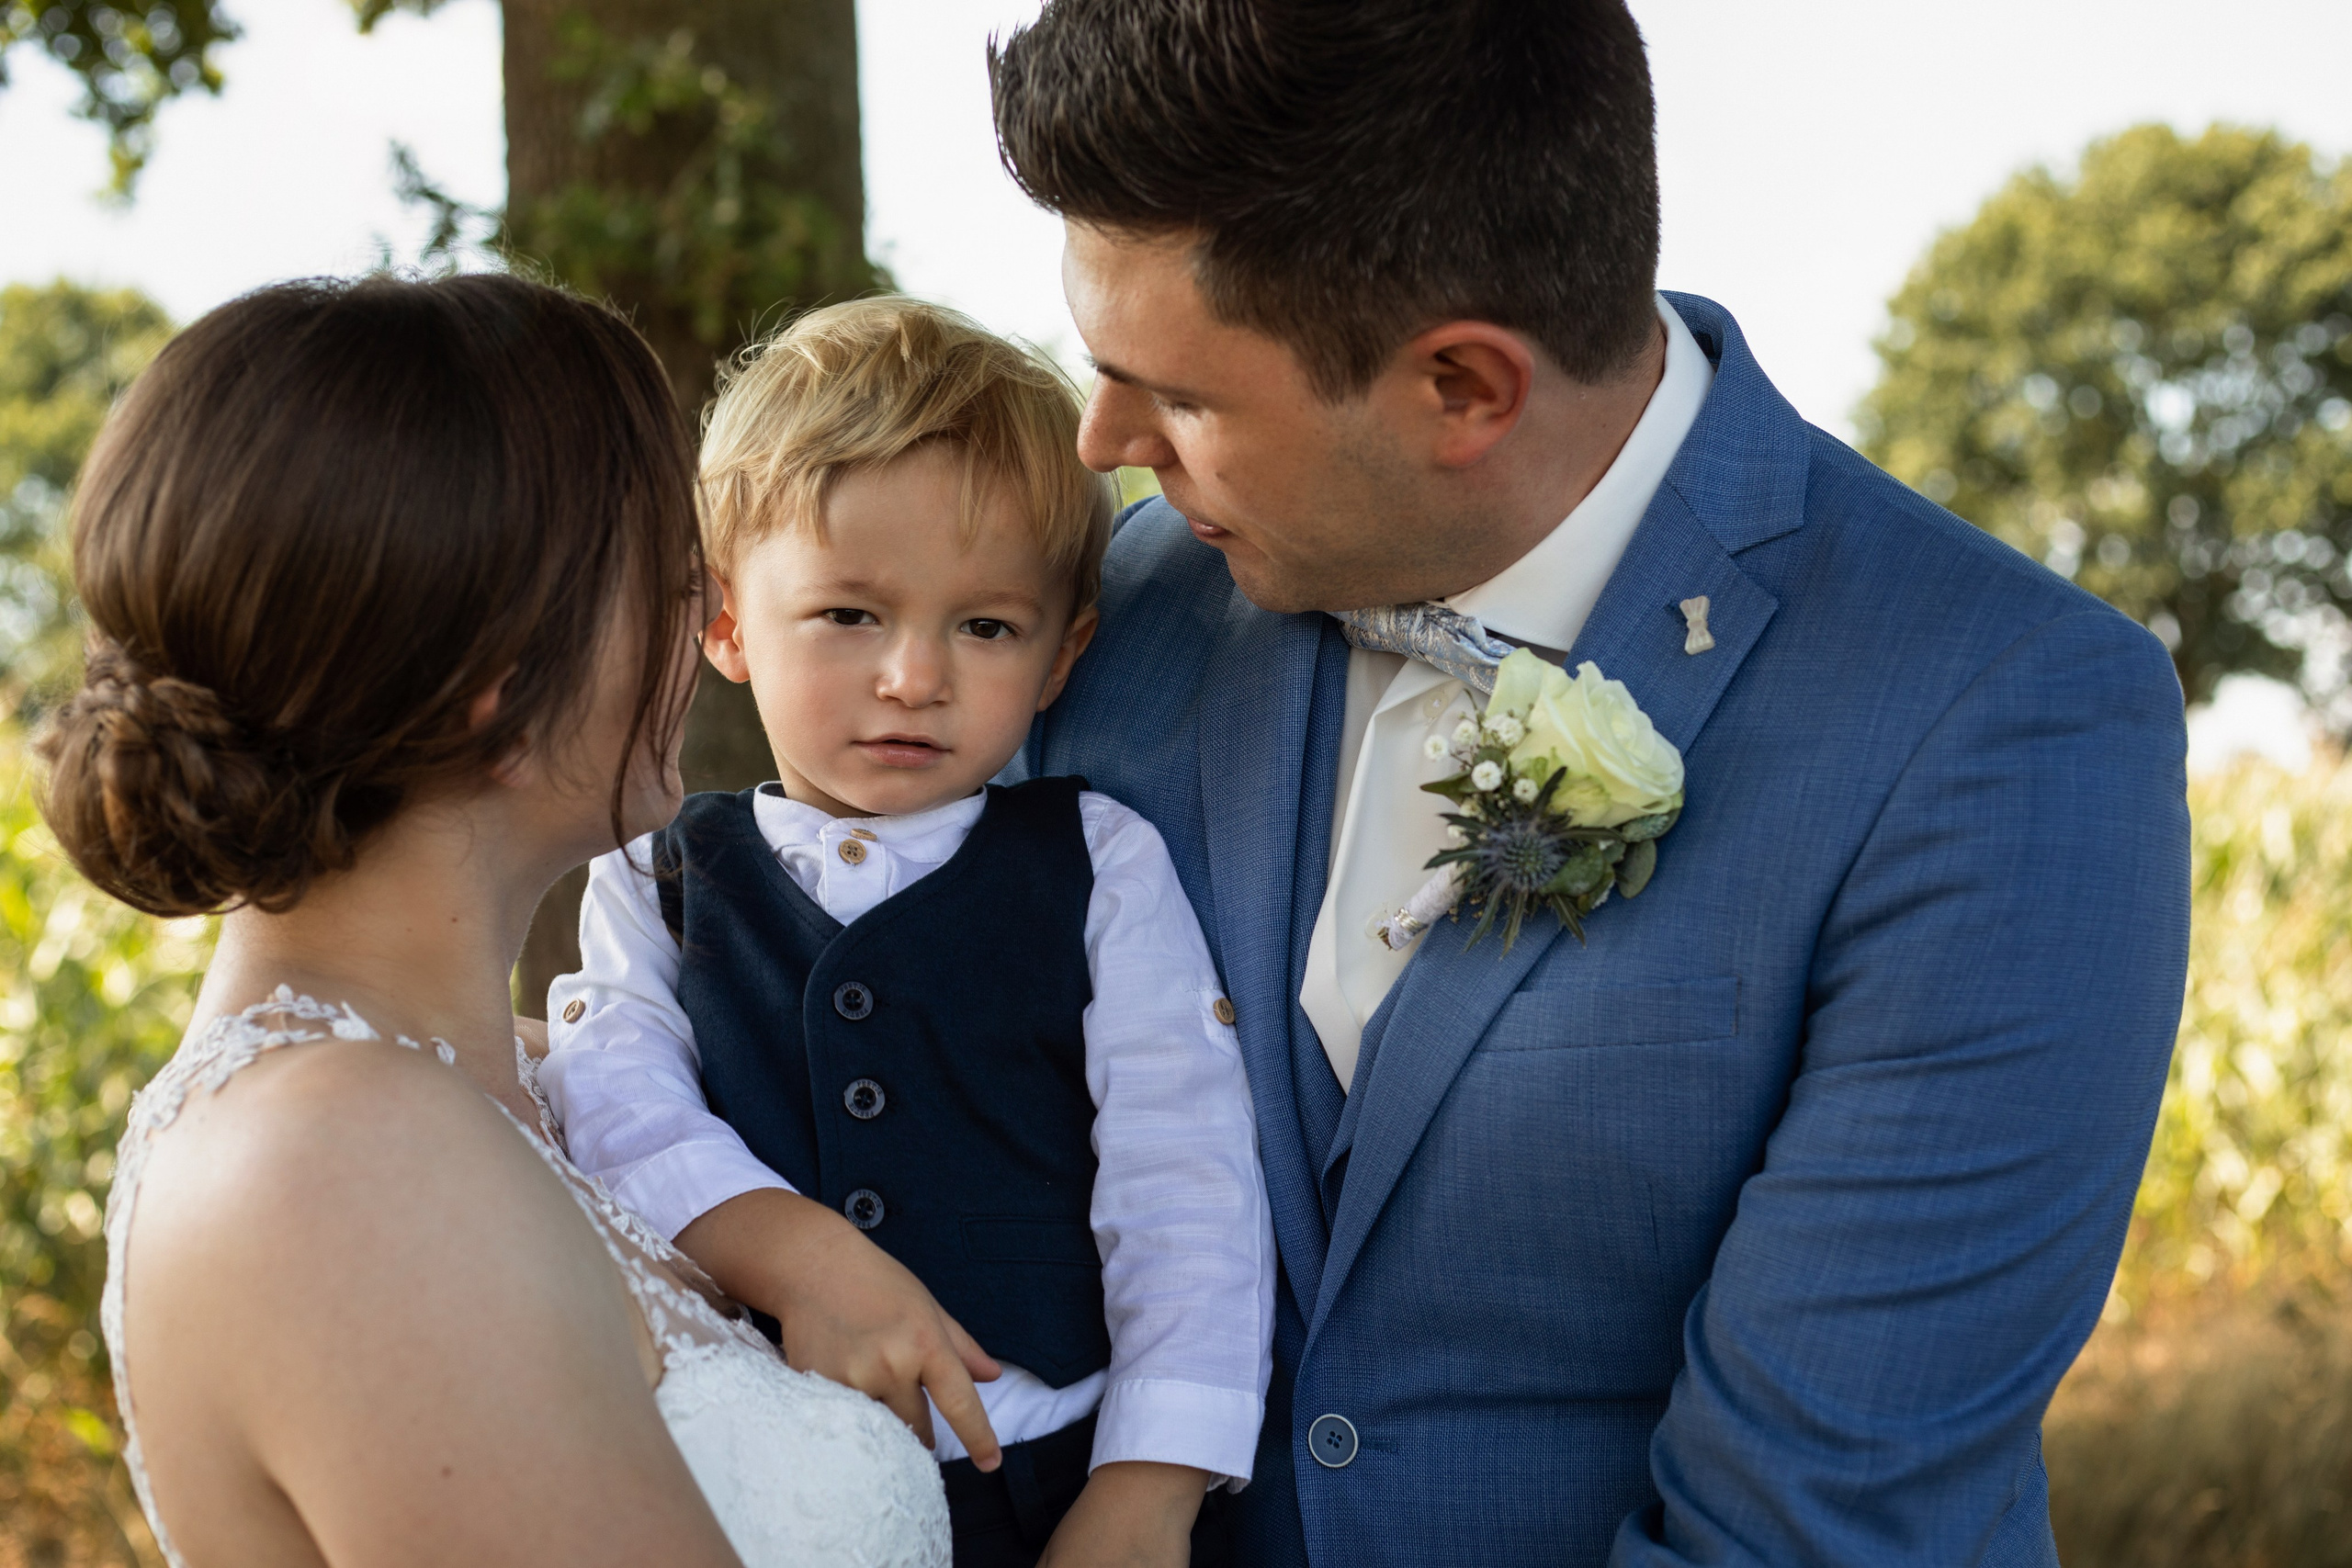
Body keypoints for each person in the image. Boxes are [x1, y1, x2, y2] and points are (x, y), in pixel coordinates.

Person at [987, 3, 2193, 1565]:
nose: (1099, 442)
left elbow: (1812, 1526)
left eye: (1185, 399)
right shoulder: (1092, 622)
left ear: (1467, 389)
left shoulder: (1997, 719)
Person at [44, 275, 951, 1567]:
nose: (705, 621)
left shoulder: (542, 1079)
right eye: (664, 570)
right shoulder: (335, 1160)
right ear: (499, 687)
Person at [539, 298, 1274, 1568]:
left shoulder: (1099, 862)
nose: (913, 678)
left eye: (985, 627)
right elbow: (616, 1106)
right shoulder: (653, 875)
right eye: (849, 616)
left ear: (1062, 655)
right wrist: (803, 1261)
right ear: (725, 624)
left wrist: (1151, 1484)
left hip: (1053, 1466)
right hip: (769, 1486)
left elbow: (1185, 1183)